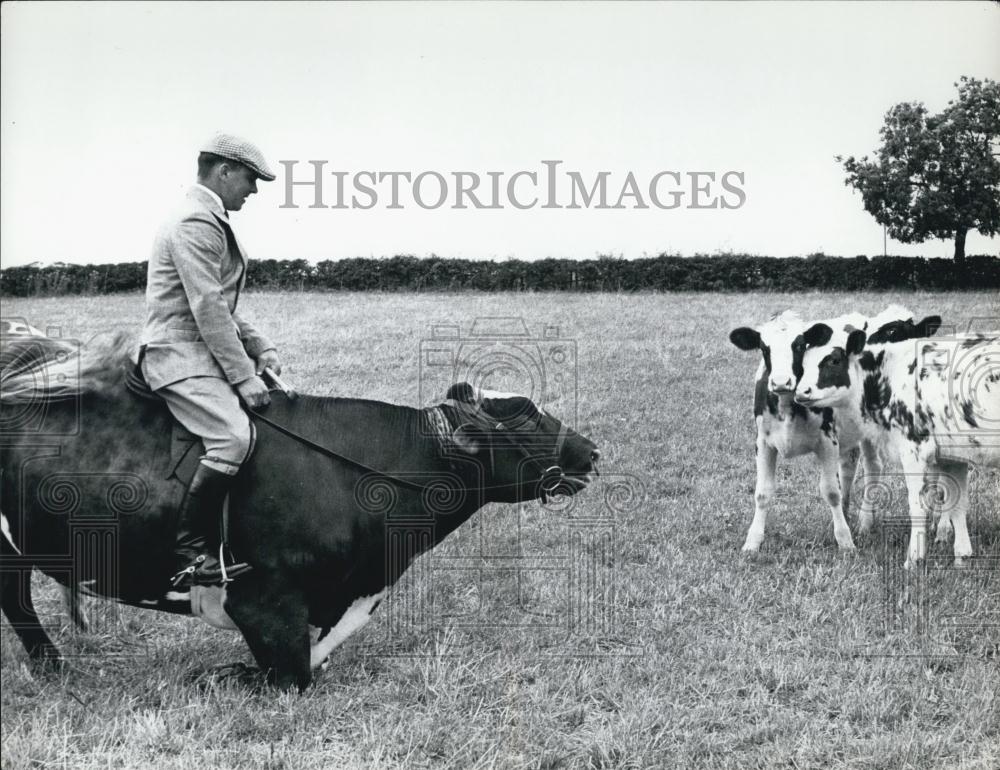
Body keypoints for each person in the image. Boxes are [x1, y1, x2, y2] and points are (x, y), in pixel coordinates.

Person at [139, 132, 281, 595]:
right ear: (223, 171)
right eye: (250, 179)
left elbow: (220, 301)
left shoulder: (205, 217)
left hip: (197, 349)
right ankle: (188, 554)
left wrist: (259, 346)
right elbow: (207, 306)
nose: (254, 190)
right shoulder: (195, 221)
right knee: (232, 437)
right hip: (177, 354)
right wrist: (243, 376)